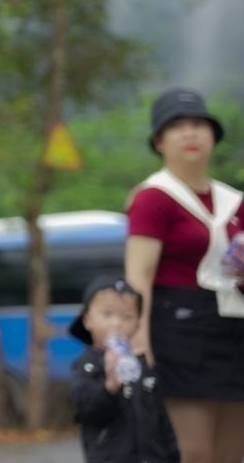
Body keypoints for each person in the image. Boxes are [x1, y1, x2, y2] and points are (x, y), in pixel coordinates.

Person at [125, 89, 244, 463]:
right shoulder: (154, 197)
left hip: (233, 325)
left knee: (233, 451)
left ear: (213, 138)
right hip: (178, 330)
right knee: (194, 451)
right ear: (159, 141)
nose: (190, 134)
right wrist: (139, 339)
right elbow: (138, 275)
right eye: (177, 127)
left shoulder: (234, 201)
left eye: (199, 125)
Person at [67, 273, 180, 462]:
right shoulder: (87, 365)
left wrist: (172, 455)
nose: (116, 323)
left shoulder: (142, 367)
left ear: (137, 324)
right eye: (107, 314)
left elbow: (162, 421)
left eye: (127, 317)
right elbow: (86, 408)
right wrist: (109, 387)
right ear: (87, 320)